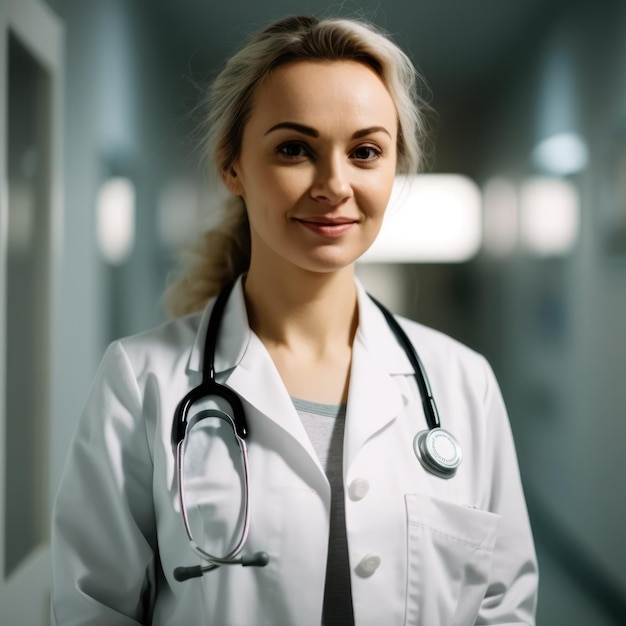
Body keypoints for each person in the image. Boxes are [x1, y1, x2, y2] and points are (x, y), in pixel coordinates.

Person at [51, 14, 538, 626]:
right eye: (294, 149)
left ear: (394, 169)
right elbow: (93, 610)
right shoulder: (141, 379)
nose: (335, 185)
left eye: (365, 151)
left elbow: (505, 606)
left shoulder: (464, 383)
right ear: (232, 166)